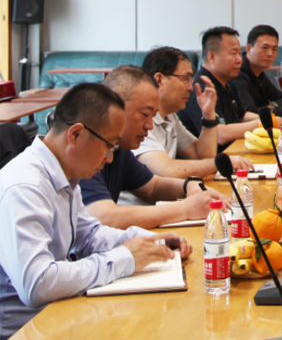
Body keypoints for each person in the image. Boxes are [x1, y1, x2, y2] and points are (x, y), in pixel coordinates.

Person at [0, 84, 191, 339]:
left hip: (61, 313)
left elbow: (89, 236)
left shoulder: (66, 174)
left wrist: (146, 241)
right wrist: (124, 258)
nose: (110, 158)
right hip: (27, 329)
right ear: (76, 134)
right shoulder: (25, 187)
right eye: (110, 146)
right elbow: (37, 283)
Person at [78, 66, 230, 230]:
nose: (150, 125)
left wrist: (188, 185)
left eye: (153, 116)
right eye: (145, 115)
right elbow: (105, 217)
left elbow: (152, 186)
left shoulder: (120, 149)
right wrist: (186, 208)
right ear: (115, 108)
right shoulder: (86, 148)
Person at [137, 47, 253, 178]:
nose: (190, 87)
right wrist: (223, 163)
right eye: (185, 79)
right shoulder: (140, 120)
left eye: (190, 80)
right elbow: (167, 170)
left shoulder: (170, 117)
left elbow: (201, 156)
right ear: (159, 80)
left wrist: (208, 115)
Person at [177, 26, 260, 152]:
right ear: (212, 57)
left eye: (240, 53)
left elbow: (241, 116)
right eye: (233, 53)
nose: (240, 60)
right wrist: (260, 124)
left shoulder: (227, 82)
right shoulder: (200, 89)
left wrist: (269, 119)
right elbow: (219, 134)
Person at [231, 25, 282, 118]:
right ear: (249, 49)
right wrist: (281, 110)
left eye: (274, 49)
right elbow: (249, 112)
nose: (270, 54)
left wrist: (270, 107)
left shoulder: (259, 72)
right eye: (265, 48)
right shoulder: (237, 73)